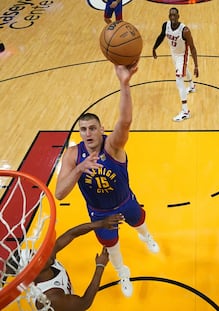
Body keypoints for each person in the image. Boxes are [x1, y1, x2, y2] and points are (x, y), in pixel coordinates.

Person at [55, 64, 159, 298]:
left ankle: (146, 236)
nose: (88, 133)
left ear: (102, 129)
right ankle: (123, 271)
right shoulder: (73, 155)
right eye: (84, 129)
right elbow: (60, 193)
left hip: (125, 201)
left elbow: (125, 121)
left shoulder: (112, 147)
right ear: (80, 133)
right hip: (99, 213)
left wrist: (124, 84)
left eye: (93, 128)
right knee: (111, 247)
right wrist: (80, 168)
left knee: (139, 220)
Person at [34, 214, 124, 311]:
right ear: (35, 272)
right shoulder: (52, 297)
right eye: (37, 258)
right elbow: (84, 303)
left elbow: (71, 234)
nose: (40, 254)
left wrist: (101, 223)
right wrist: (100, 266)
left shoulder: (47, 260)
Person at [152, 7, 199, 122]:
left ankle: (185, 111)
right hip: (174, 54)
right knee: (183, 70)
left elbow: (192, 47)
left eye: (174, 15)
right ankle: (192, 86)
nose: (172, 17)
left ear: (178, 16)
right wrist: (154, 48)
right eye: (171, 15)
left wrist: (197, 65)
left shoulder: (185, 30)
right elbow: (161, 36)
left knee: (179, 79)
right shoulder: (166, 25)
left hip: (183, 55)